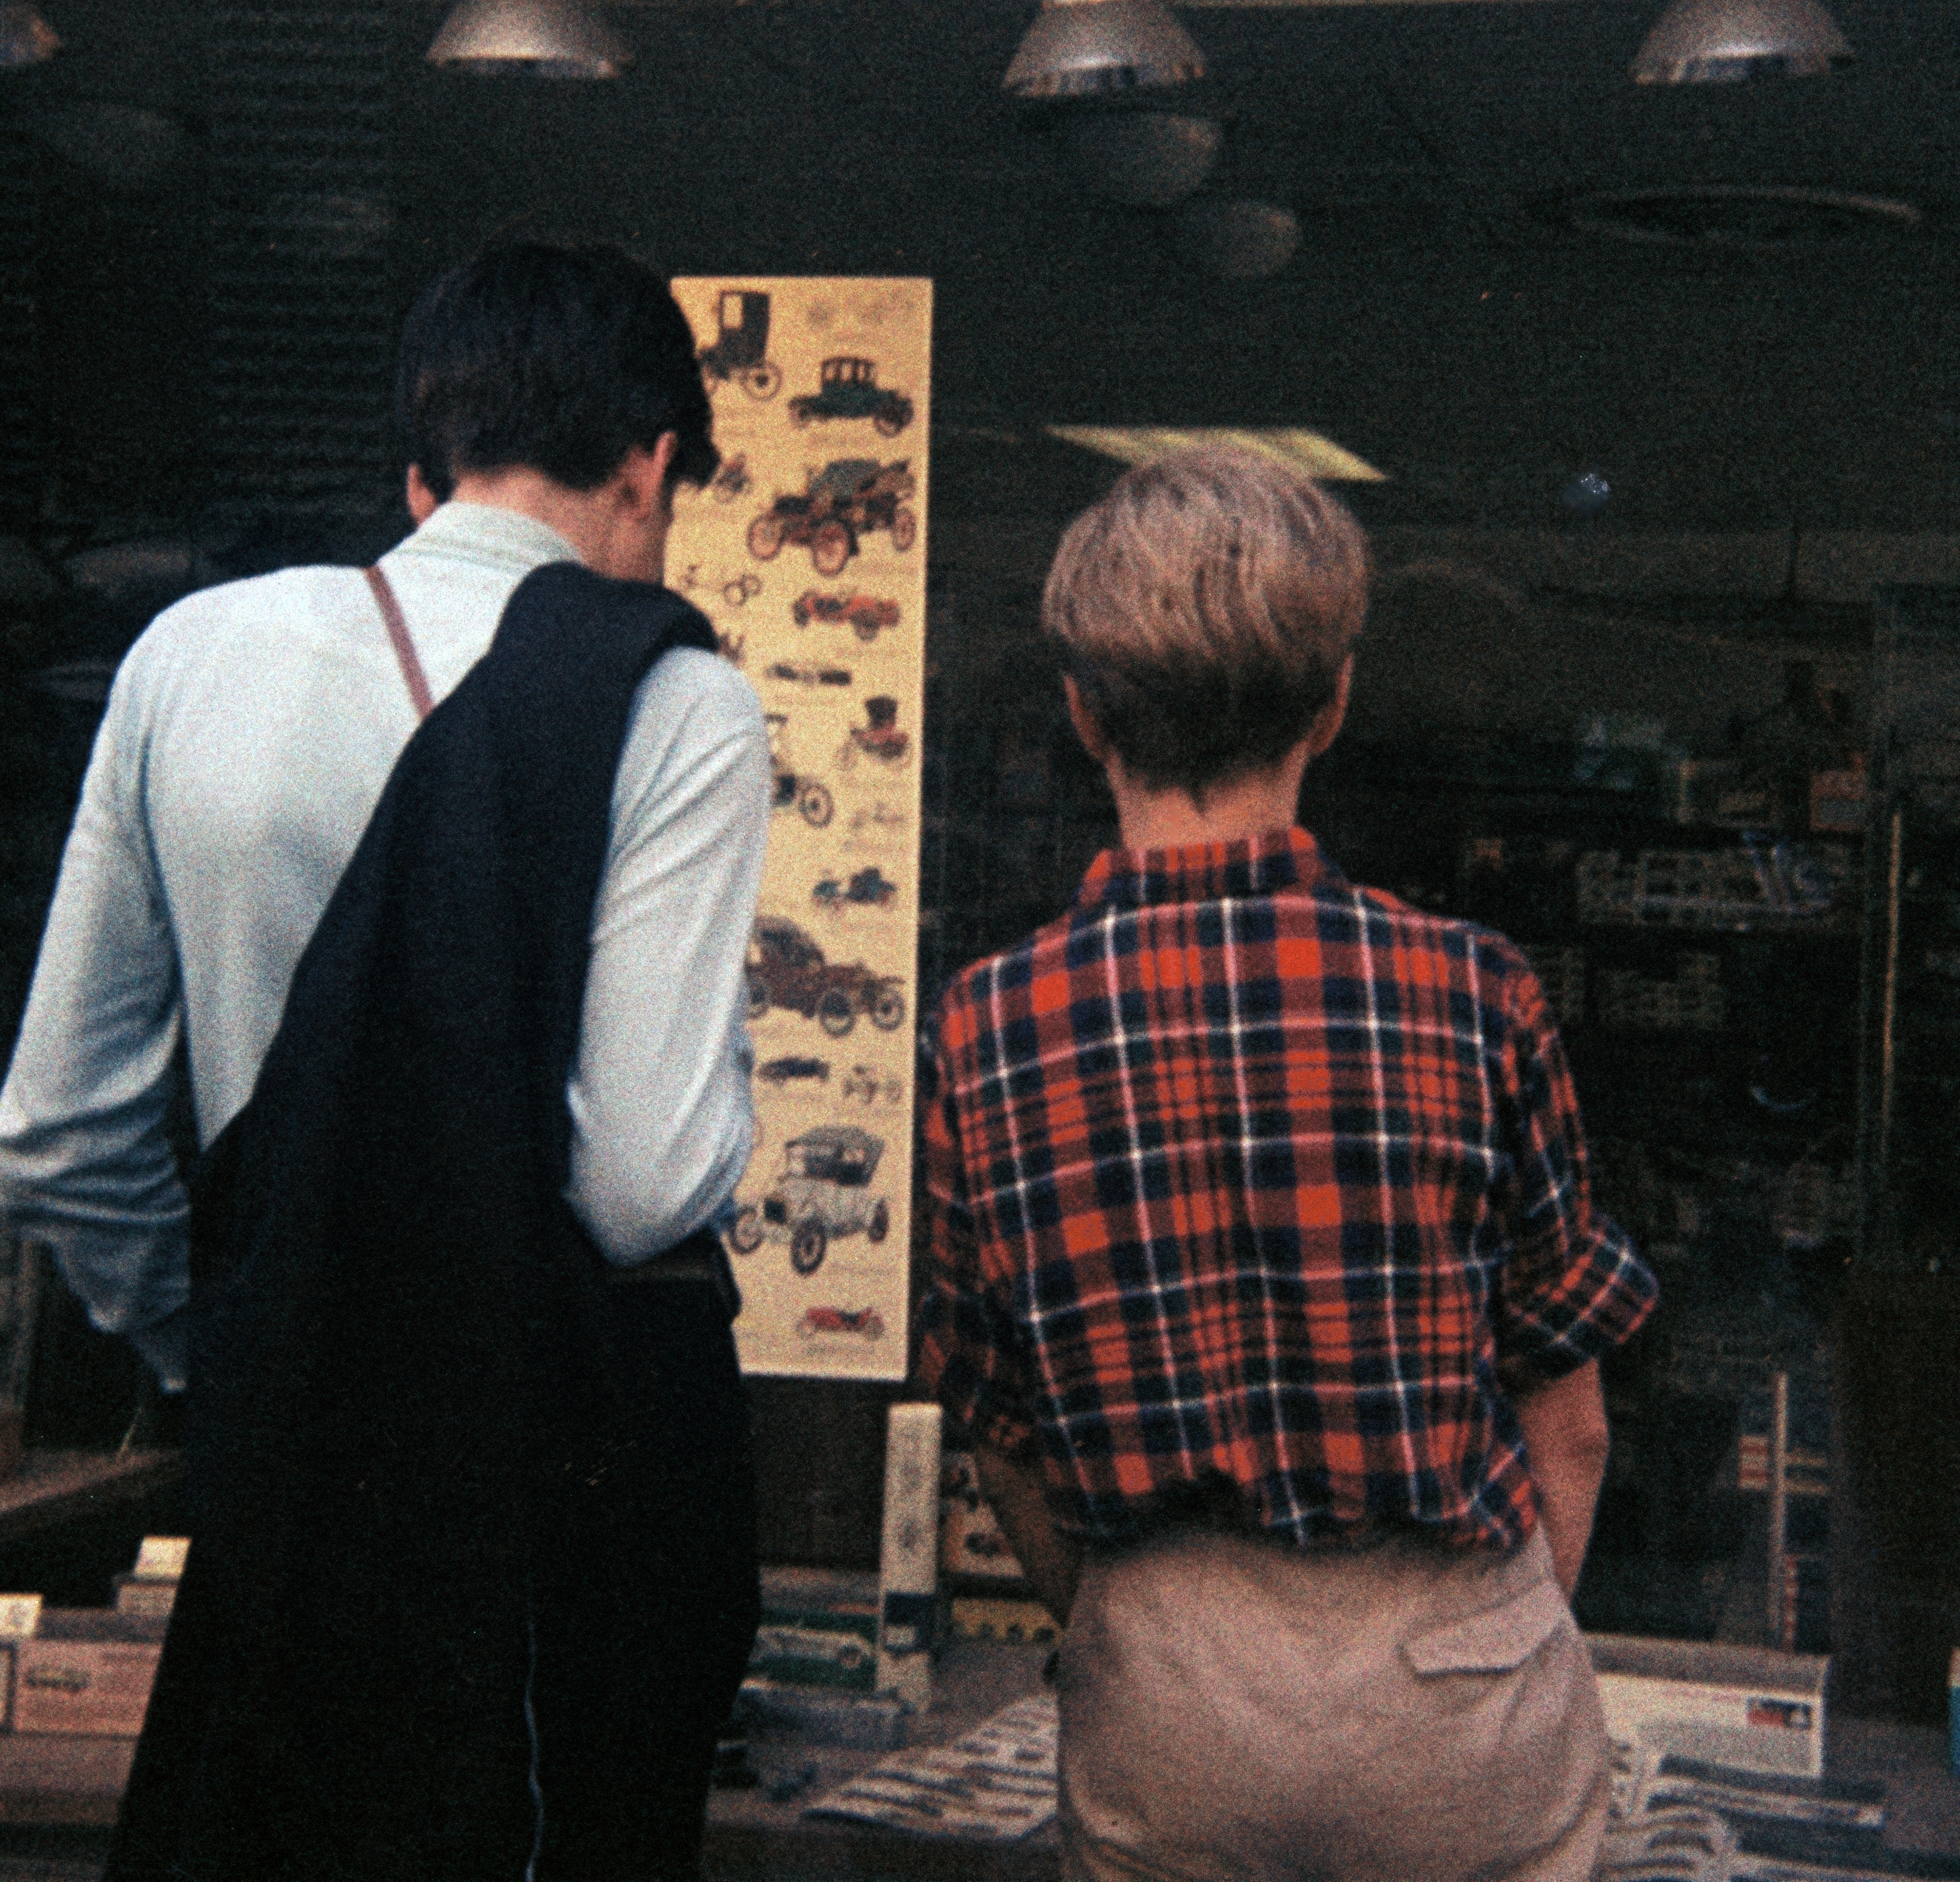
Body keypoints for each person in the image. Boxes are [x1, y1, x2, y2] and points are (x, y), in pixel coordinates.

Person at [0, 240, 770, 1881]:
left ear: (435, 440)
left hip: (287, 1477)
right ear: (648, 462)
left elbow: (53, 1127)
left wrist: (239, 1347)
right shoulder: (676, 695)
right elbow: (638, 1181)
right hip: (551, 1498)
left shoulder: (187, 658)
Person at [919, 448, 1659, 1882]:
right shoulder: (1470, 990)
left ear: (1080, 713)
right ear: (1334, 702)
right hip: (1461, 1679)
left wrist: (1139, 1635)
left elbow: (1000, 1438)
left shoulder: (988, 1026)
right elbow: (1569, 1422)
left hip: (1169, 1701)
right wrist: (1504, 1643)